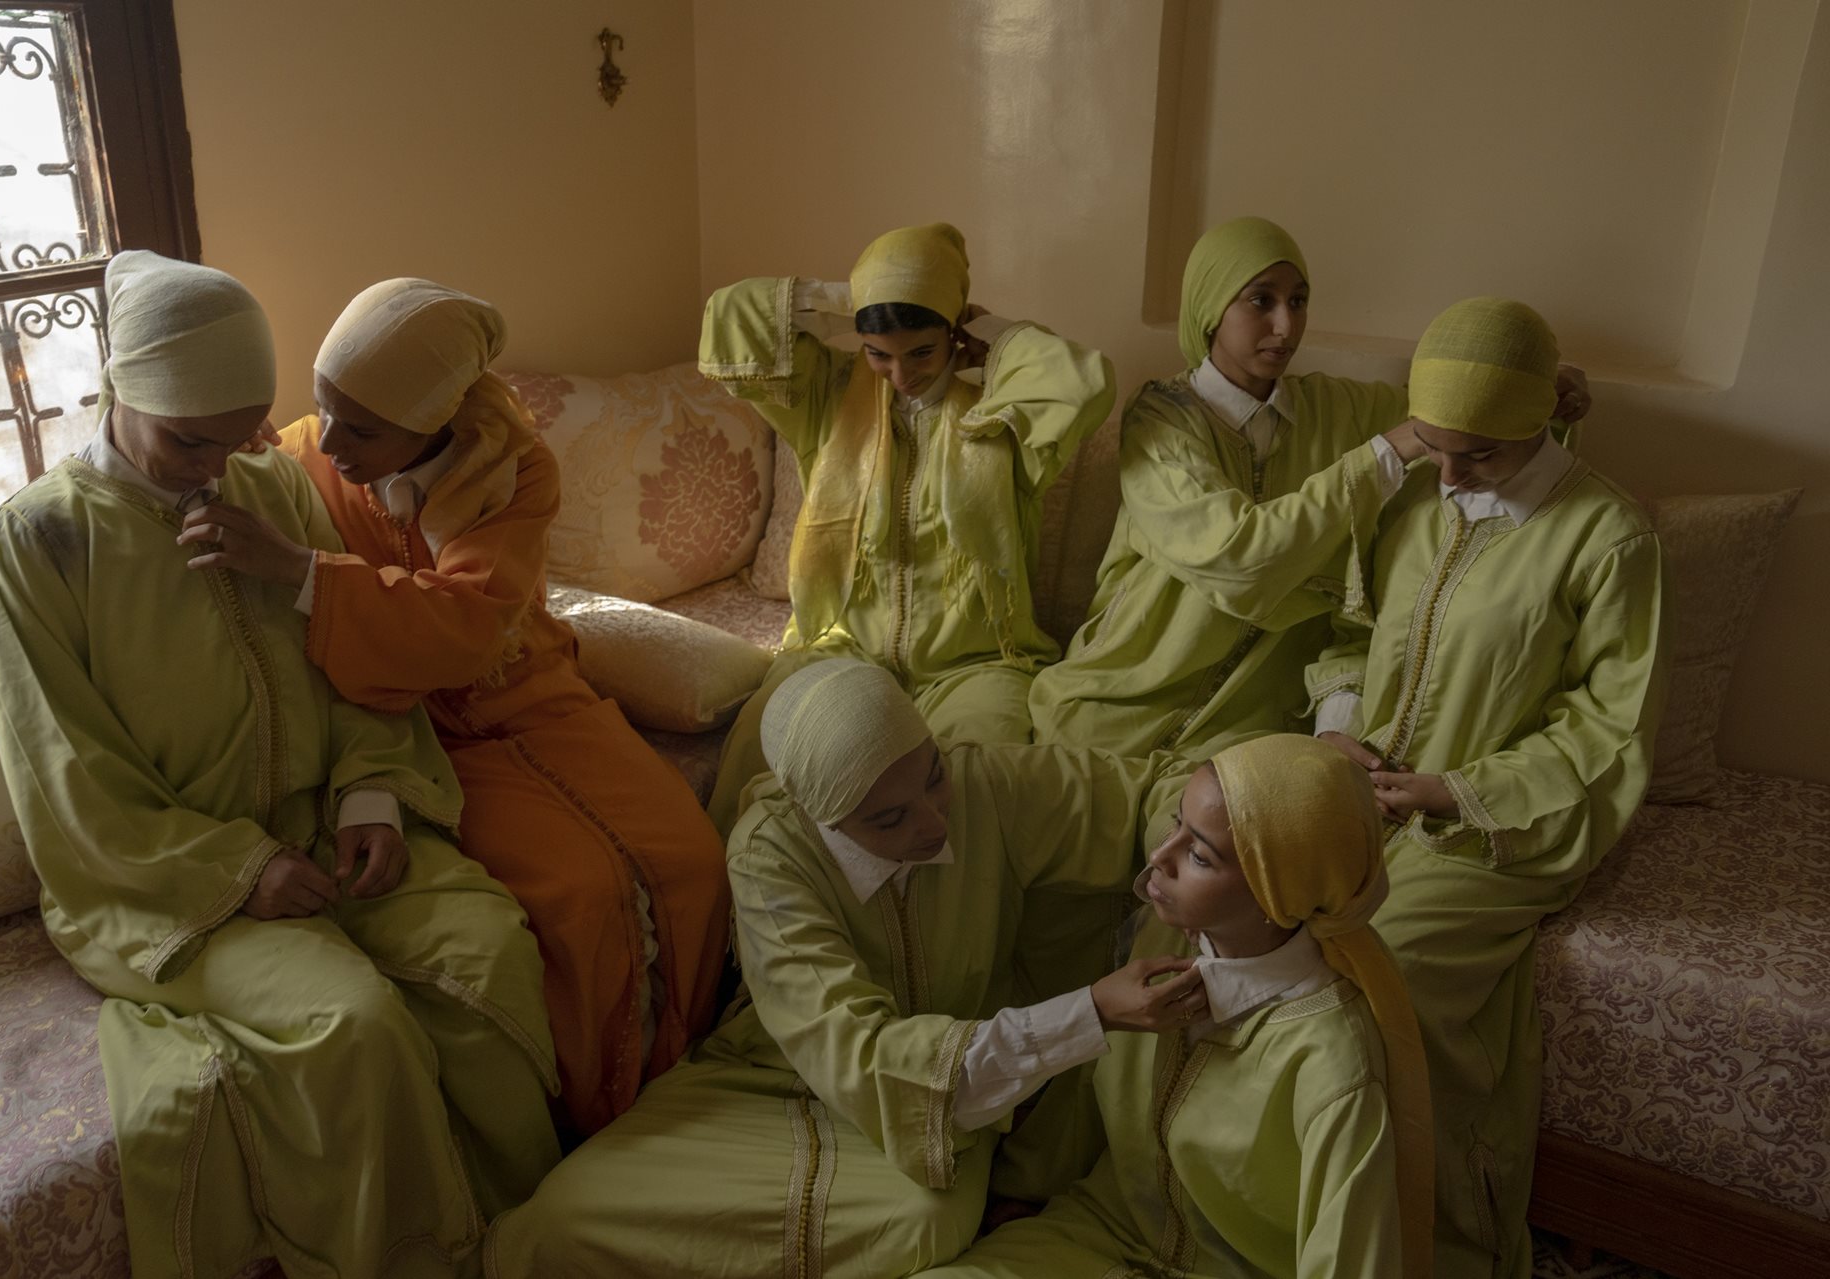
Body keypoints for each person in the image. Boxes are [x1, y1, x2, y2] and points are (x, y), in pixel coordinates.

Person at [0, 251, 559, 1278]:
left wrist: (372, 794)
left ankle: (526, 1238)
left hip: (328, 829)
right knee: (355, 1021)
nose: (216, 465)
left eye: (241, 433)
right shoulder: (43, 539)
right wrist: (239, 869)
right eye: (188, 441)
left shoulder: (273, 488)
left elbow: (349, 665)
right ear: (122, 389)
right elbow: (65, 772)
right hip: (163, 882)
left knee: (487, 952)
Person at [188, 277, 730, 1137]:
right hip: (415, 727)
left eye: (361, 427)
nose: (331, 440)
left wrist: (301, 573)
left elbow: (470, 627)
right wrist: (229, 444)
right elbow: (201, 468)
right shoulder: (306, 455)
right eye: (324, 407)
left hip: (535, 693)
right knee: (578, 896)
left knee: (691, 854)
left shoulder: (514, 469)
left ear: (437, 415)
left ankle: (684, 1071)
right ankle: (597, 1118)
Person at [485, 658, 1200, 1278]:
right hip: (769, 1080)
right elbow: (853, 1051)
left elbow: (1158, 792)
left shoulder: (986, 787)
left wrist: (1196, 855)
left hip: (937, 1108)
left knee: (922, 1222)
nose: (932, 821)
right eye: (887, 819)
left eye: (931, 777)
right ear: (818, 817)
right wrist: (1088, 1014)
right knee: (559, 1221)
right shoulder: (770, 856)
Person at [1309, 296, 1665, 1278]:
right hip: (1358, 793)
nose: (1450, 476)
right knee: (1221, 912)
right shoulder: (1419, 505)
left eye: (1479, 457)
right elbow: (1345, 638)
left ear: (1539, 425)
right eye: (1435, 449)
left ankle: (1395, 1242)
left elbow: (1609, 724)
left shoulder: (1607, 537)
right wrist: (1341, 732)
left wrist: (1455, 793)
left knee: (1379, 985)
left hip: (1498, 827)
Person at [1028, 216, 1590, 758]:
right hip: (1118, 705)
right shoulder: (1161, 418)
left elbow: (1466, 418)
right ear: (1208, 306)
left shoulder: (1341, 410)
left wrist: (1542, 396)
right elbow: (1240, 558)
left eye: (1298, 300)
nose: (1286, 326)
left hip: (1246, 731)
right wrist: (1386, 455)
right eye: (1260, 300)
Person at [919, 733, 1434, 1279]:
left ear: (1275, 892)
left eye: (1198, 855)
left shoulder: (1330, 1059)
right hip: (1098, 1231)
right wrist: (1023, 1191)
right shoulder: (1160, 949)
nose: (1160, 857)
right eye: (1176, 823)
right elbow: (1080, 1104)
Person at [698, 222, 1116, 834]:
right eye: (878, 353)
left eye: (921, 350)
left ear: (953, 333)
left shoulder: (1000, 413)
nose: (899, 374)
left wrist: (990, 332)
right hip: (843, 644)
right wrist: (864, 297)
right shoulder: (828, 395)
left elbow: (1085, 380)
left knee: (978, 794)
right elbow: (730, 318)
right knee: (766, 773)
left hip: (976, 663)